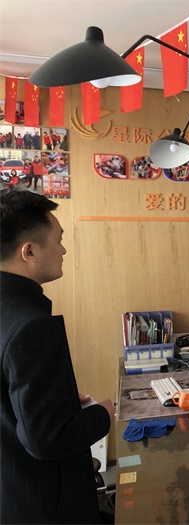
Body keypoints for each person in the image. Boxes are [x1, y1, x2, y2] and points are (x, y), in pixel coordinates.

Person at [0, 190, 114, 523]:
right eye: (59, 239)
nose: (63, 249)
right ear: (29, 251)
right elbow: (48, 439)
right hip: (46, 504)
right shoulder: (31, 325)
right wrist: (104, 414)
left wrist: (57, 401)